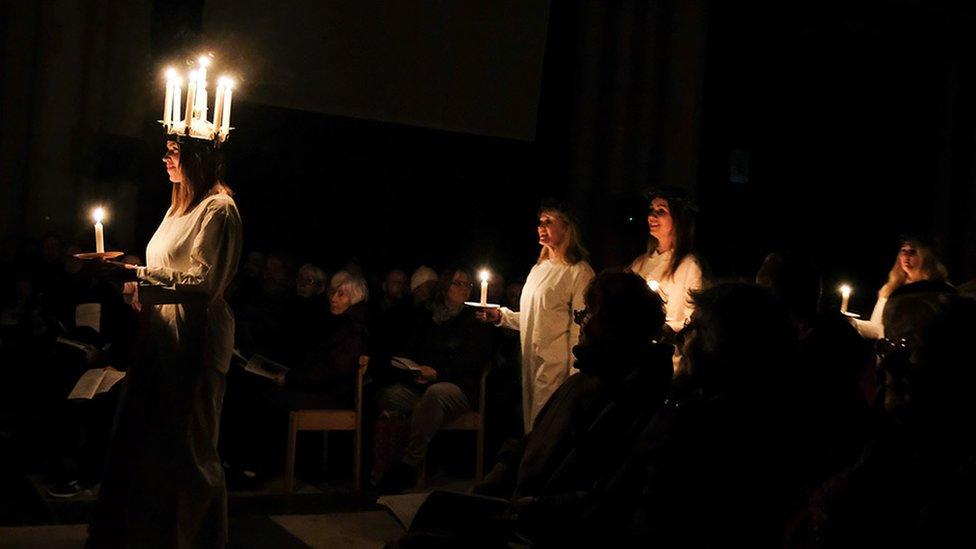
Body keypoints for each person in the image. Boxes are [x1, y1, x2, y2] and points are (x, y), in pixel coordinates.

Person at [89, 136, 242, 548]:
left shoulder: (218, 209)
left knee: (191, 447)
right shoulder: (178, 208)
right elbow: (164, 269)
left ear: (196, 158)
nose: (165, 158)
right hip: (160, 337)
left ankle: (199, 540)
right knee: (155, 443)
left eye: (174, 152)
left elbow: (204, 281)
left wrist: (137, 276)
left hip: (195, 337)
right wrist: (133, 284)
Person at [478, 204, 595, 432]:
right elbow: (536, 318)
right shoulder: (539, 269)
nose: (541, 227)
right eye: (540, 222)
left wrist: (575, 374)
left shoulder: (578, 272)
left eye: (549, 221)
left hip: (556, 367)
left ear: (566, 227)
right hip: (532, 361)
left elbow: (579, 327)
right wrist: (501, 316)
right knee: (532, 427)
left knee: (548, 429)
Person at [376, 267, 493, 490]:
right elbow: (413, 349)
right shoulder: (427, 315)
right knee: (389, 396)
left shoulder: (476, 320)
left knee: (435, 395)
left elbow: (473, 360)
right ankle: (382, 464)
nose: (464, 289)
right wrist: (416, 371)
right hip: (424, 387)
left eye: (467, 285)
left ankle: (409, 464)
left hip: (457, 386)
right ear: (445, 286)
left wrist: (438, 372)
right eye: (458, 283)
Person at [627, 188, 703, 334]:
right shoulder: (639, 264)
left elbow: (695, 316)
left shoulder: (689, 266)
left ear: (678, 219)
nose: (651, 216)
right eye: (651, 210)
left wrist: (669, 329)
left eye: (661, 211)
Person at [853, 236, 949, 339]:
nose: (906, 257)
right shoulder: (890, 288)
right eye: (903, 251)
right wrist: (853, 323)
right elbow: (877, 329)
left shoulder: (938, 289)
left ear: (925, 257)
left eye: (912, 252)